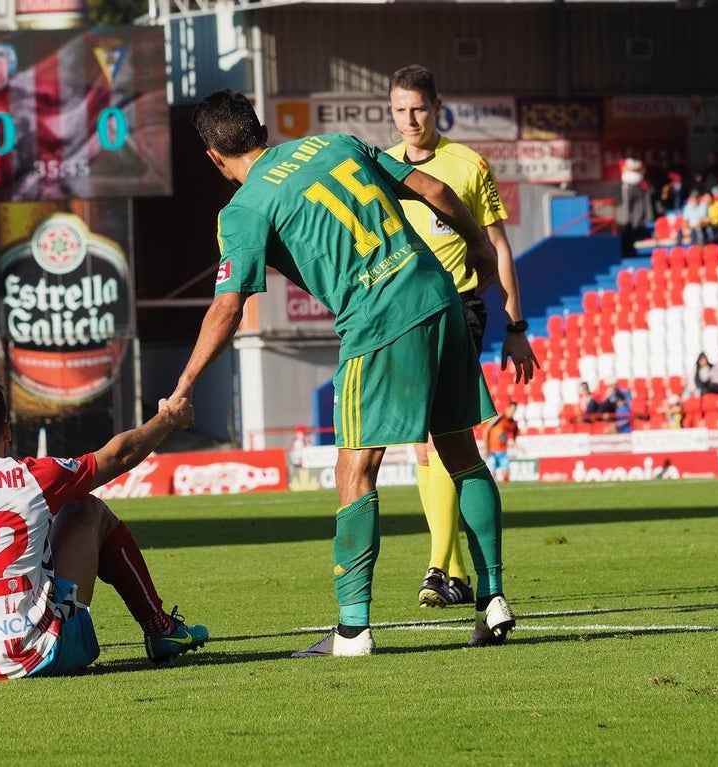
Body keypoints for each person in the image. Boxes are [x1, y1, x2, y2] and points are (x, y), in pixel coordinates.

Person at [177, 90, 513, 656]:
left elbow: (229, 306)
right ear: (260, 128)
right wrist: (479, 246)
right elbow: (432, 190)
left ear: (213, 156)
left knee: (354, 472)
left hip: (377, 321)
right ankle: (495, 598)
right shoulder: (335, 144)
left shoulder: (243, 210)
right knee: (461, 453)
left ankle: (353, 630)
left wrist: (184, 386)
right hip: (437, 295)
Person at [0, 376, 208, 681]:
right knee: (86, 507)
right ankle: (160, 629)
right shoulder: (32, 475)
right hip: (47, 652)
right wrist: (167, 419)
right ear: (7, 431)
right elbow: (118, 456)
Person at [386, 64, 538, 609]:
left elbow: (498, 246)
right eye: (400, 109)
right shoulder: (381, 168)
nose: (409, 118)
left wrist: (516, 326)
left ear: (436, 107)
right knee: (424, 447)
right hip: (405, 316)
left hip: (459, 309)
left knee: (439, 437)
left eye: (418, 108)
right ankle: (453, 571)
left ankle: (438, 567)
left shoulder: (467, 165)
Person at [482, 402, 518, 482]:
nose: (512, 411)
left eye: (514, 410)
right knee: (492, 473)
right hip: (492, 451)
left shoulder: (514, 423)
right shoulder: (499, 418)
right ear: (507, 408)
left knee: (506, 473)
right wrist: (486, 448)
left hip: (503, 452)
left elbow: (514, 438)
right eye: (511, 409)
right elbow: (486, 430)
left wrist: (519, 447)